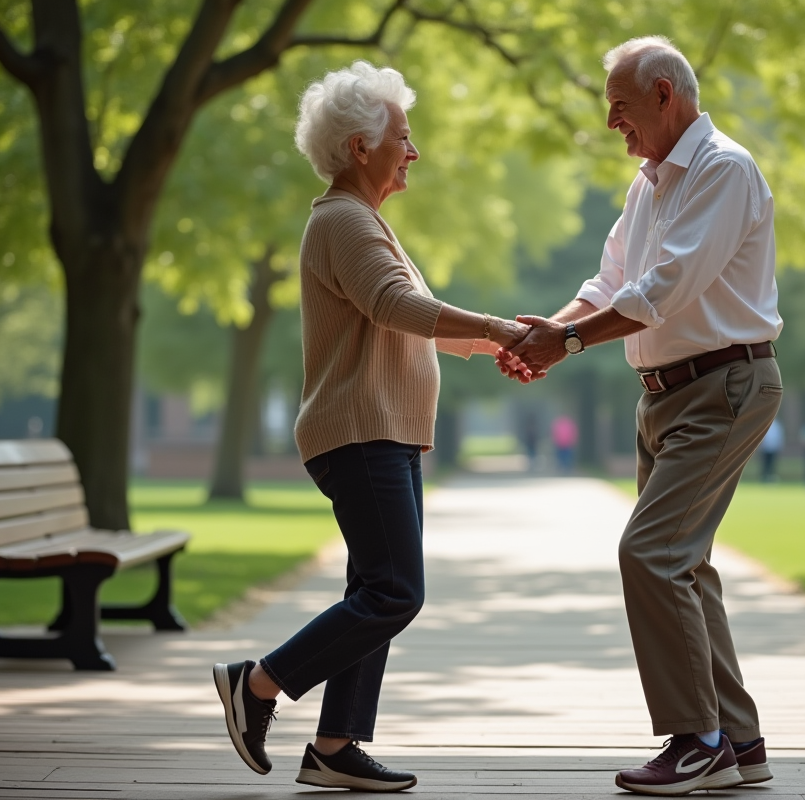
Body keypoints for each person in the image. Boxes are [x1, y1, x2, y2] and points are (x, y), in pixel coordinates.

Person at [213, 62, 530, 793]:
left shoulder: (362, 222)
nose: (413, 152)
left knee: (373, 589)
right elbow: (396, 307)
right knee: (395, 591)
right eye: (403, 137)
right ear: (362, 146)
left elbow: (409, 322)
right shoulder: (343, 222)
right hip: (360, 434)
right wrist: (498, 327)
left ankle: (335, 745)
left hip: (383, 431)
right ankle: (256, 686)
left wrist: (493, 345)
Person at [498, 36, 782, 796]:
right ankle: (739, 738)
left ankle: (698, 741)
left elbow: (665, 288)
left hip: (723, 385)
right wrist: (545, 335)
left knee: (649, 553)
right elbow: (610, 280)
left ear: (665, 95)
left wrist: (565, 341)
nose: (613, 125)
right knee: (683, 562)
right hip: (664, 393)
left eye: (620, 109)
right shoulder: (649, 184)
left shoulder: (724, 170)